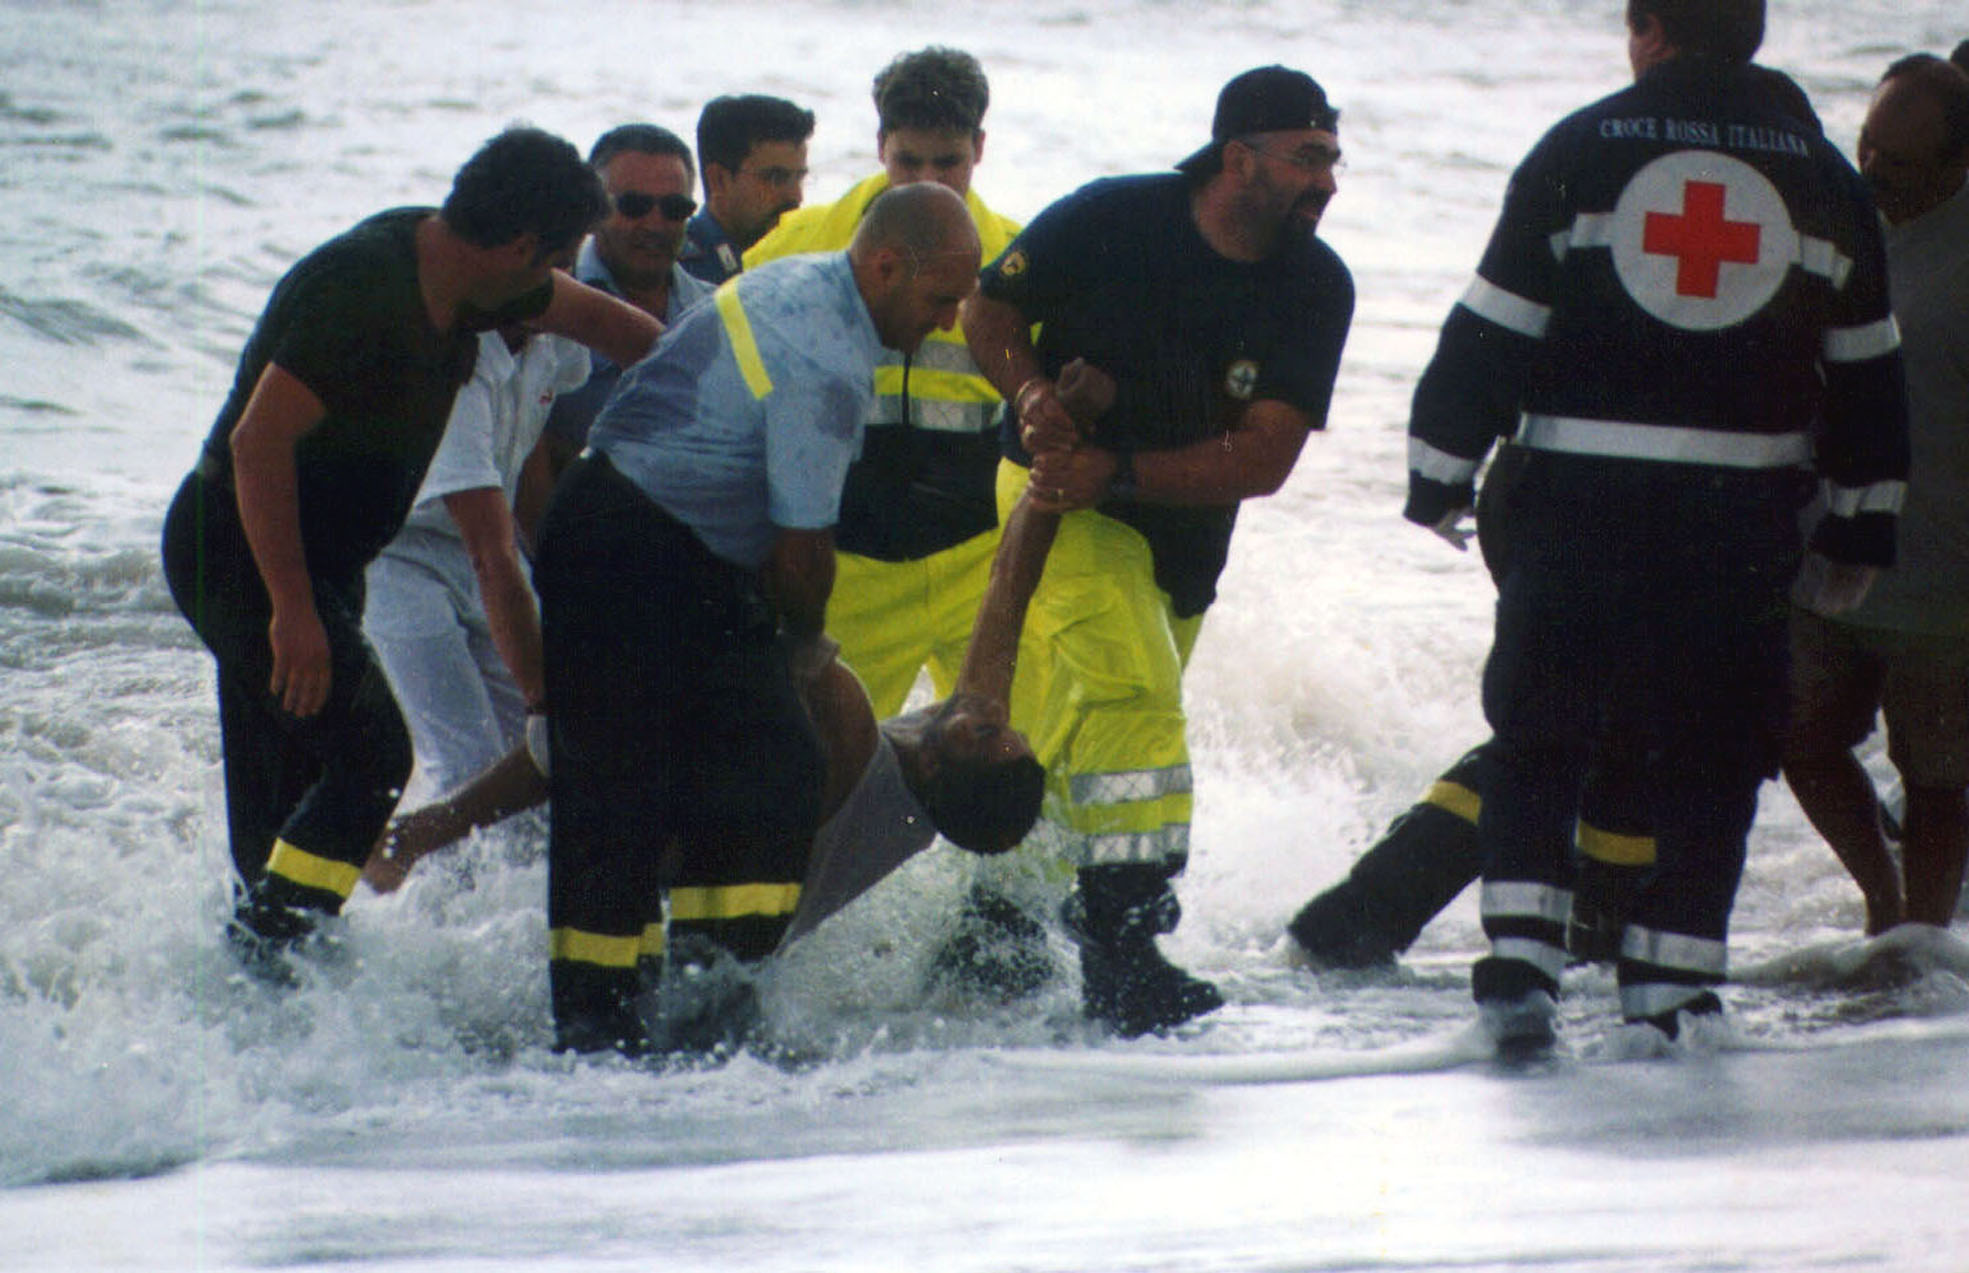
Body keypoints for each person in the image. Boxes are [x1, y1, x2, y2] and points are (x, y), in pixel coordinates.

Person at [1404, 0, 1909, 1051]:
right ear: (1754, 40)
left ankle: (1518, 979)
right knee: (1717, 750)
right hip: (1736, 521)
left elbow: (1493, 324)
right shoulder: (1824, 178)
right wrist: (1862, 524)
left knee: (1540, 733)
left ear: (1647, 31)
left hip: (1574, 510)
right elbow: (1866, 370)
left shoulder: (1580, 145)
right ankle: (1672, 998)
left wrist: (1438, 469)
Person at [1285, 63, 1830, 973]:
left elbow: (1495, 338)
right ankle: (1564, 939)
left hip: (1548, 503)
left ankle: (1369, 917)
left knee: (1572, 720)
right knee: (1619, 726)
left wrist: (1442, 474)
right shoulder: (1803, 240)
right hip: (1652, 530)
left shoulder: (1628, 202)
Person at [159, 127, 660, 970]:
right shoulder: (363, 293)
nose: (558, 282)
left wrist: (719, 375)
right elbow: (257, 445)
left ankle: (264, 980)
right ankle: (272, 944)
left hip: (324, 564)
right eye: (556, 260)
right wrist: (290, 611)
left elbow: (620, 331)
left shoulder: (477, 280)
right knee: (372, 754)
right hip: (238, 554)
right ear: (517, 246)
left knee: (283, 792)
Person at [534, 182, 984, 1056]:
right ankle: (600, 1033)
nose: (947, 322)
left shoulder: (811, 284)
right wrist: (803, 646)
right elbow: (802, 550)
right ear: (886, 265)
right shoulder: (825, 352)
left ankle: (706, 1009)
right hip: (625, 544)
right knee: (620, 794)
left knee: (765, 765)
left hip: (664, 545)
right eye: (939, 300)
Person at [963, 66, 1355, 1037]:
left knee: (1071, 730)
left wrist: (1120, 470)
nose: (1327, 184)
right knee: (1135, 694)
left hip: (1174, 527)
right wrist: (1029, 395)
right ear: (1238, 158)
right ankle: (1126, 952)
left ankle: (996, 922)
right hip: (1052, 500)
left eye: (1331, 162)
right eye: (1307, 160)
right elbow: (986, 311)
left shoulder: (1314, 284)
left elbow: (1262, 459)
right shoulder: (1111, 218)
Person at [745, 47, 1022, 722]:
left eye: (947, 163)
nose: (925, 182)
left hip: (978, 572)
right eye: (907, 162)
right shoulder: (795, 247)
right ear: (878, 147)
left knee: (1009, 769)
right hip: (847, 572)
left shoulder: (1020, 261)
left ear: (979, 149)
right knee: (821, 779)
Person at [1782, 54, 1969, 934]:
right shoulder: (1839, 227)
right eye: (1864, 147)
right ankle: (1882, 901)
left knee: (1935, 778)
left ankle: (1922, 945)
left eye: (1894, 161)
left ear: (1954, 164)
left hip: (1942, 581)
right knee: (1798, 738)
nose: (1869, 172)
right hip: (1823, 559)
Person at [360, 323, 589, 802]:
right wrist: (540, 699)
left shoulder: (557, 341)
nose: (559, 277)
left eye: (566, 262)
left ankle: (523, 877)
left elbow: (529, 452)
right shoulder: (461, 359)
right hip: (396, 554)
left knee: (534, 760)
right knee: (465, 760)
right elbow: (490, 556)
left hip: (487, 544)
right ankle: (419, 868)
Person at [539, 125, 718, 477]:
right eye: (634, 206)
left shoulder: (719, 310)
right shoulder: (540, 307)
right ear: (592, 209)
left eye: (674, 208)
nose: (655, 224)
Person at [679, 94, 816, 284]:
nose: (796, 196)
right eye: (775, 178)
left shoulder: (803, 260)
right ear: (719, 180)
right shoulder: (679, 272)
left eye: (799, 178)